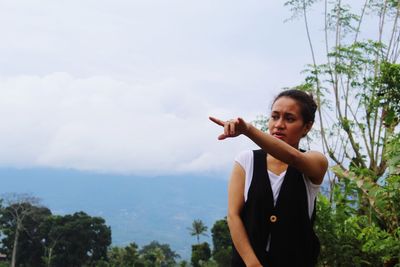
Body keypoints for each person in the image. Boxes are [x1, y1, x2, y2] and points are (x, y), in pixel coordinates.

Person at [209, 89, 328, 267]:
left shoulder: (315, 162)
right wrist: (253, 264)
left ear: (307, 126)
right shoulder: (246, 161)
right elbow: (233, 216)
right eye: (275, 116)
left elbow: (294, 158)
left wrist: (248, 129)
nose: (278, 125)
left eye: (289, 119)